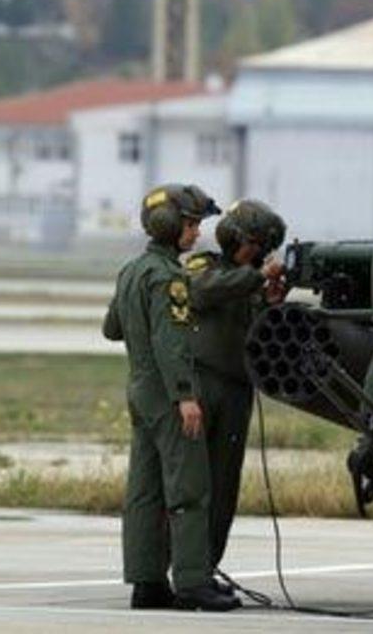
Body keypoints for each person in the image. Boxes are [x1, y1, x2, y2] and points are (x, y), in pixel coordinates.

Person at [102, 184, 240, 612]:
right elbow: (171, 344)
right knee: (189, 489)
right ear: (170, 226)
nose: (196, 233)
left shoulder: (131, 271)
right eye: (191, 224)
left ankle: (147, 583)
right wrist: (185, 396)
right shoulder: (169, 278)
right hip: (167, 395)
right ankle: (193, 583)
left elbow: (111, 328)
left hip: (140, 391)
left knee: (144, 492)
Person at [185, 199, 287, 581]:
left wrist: (270, 302)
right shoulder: (205, 267)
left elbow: (259, 331)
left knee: (224, 485)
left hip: (237, 391)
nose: (256, 253)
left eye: (263, 247)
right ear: (234, 238)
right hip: (203, 384)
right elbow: (200, 292)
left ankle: (205, 567)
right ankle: (182, 567)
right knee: (190, 482)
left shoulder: (249, 280)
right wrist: (257, 278)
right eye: (253, 244)